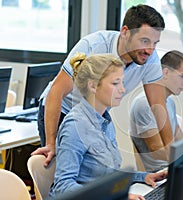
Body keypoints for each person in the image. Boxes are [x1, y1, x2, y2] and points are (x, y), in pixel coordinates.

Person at [32, 4, 174, 166]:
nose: (149, 50)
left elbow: (158, 105)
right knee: (63, 171)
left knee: (98, 171)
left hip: (94, 116)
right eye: (144, 41)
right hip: (61, 110)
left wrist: (171, 151)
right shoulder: (94, 46)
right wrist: (51, 143)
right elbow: (56, 92)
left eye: (155, 43)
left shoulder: (150, 58)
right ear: (125, 32)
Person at [49, 53, 167, 200]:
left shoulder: (105, 121)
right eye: (116, 83)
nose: (123, 89)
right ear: (92, 85)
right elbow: (63, 186)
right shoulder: (75, 126)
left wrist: (143, 177)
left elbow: (108, 174)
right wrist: (114, 195)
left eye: (122, 83)